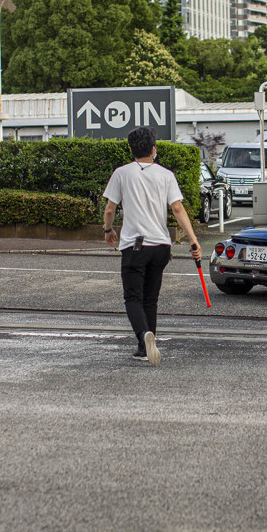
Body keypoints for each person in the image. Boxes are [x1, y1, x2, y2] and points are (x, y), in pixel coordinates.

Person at [103, 127, 202, 365]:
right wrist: (193, 239)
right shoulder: (166, 175)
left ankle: (143, 335)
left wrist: (108, 230)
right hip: (161, 246)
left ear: (131, 149)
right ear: (153, 149)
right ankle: (145, 347)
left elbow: (109, 209)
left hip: (135, 245)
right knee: (150, 299)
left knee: (133, 298)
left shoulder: (121, 173)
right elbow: (177, 208)